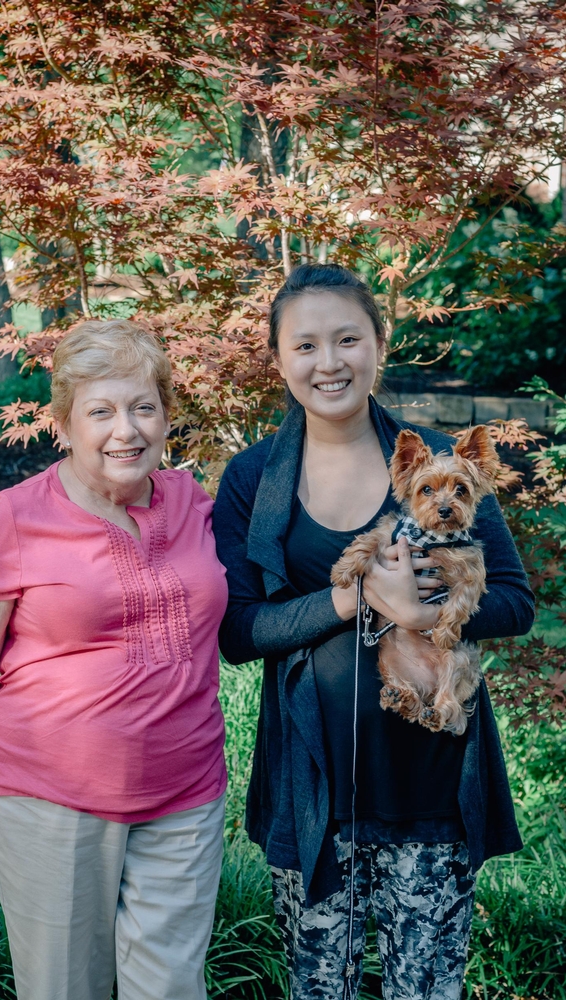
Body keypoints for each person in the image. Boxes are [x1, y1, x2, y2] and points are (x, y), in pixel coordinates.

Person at [212, 264, 534, 1000]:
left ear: (380, 344)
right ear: (278, 357)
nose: (329, 362)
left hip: (432, 781)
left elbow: (515, 603)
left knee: (427, 987)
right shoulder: (253, 479)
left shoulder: (436, 463)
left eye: (348, 338)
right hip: (313, 785)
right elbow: (237, 631)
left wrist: (423, 614)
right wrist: (356, 598)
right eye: (306, 345)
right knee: (318, 985)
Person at [0, 319, 228, 1000]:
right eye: (101, 411)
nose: (126, 431)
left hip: (185, 795)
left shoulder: (194, 503)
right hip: (51, 802)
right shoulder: (17, 518)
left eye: (144, 407)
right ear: (64, 422)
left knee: (171, 989)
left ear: (167, 416)